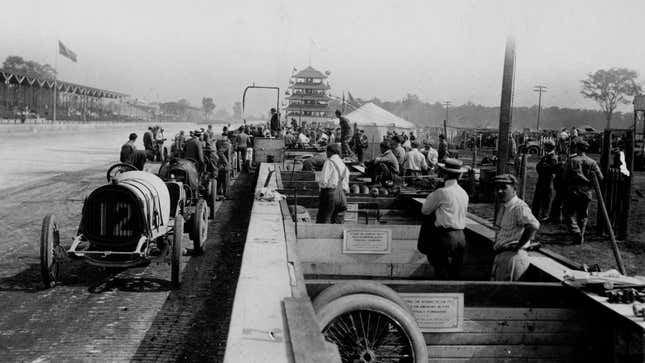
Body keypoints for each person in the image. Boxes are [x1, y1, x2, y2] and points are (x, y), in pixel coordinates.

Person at [418, 158, 469, 279]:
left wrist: (434, 191)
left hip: (444, 237)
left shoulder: (441, 192)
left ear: (445, 174)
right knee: (455, 274)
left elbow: (425, 210)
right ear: (459, 175)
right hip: (461, 237)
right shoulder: (463, 193)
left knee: (441, 271)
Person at [491, 174, 540, 281]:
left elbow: (533, 225)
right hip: (502, 256)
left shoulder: (519, 207)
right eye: (497, 188)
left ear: (514, 189)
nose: (499, 191)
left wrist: (518, 246)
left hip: (513, 257)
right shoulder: (505, 206)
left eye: (504, 187)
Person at [562, 138, 603, 244]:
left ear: (577, 148)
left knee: (568, 213)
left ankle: (576, 233)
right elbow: (600, 177)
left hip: (574, 191)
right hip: (587, 192)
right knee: (583, 215)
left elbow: (564, 176)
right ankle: (581, 235)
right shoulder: (592, 162)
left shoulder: (572, 160)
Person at [316, 143, 350, 224]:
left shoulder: (329, 162)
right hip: (342, 196)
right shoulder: (343, 164)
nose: (326, 154)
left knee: (324, 220)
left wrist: (319, 187)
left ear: (330, 152)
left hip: (330, 194)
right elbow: (345, 184)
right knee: (337, 221)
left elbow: (323, 180)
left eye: (327, 152)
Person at [531, 140, 558, 220]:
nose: (544, 147)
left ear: (550, 147)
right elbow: (539, 167)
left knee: (546, 198)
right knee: (537, 198)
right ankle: (535, 214)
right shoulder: (546, 156)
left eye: (546, 146)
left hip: (548, 180)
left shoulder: (553, 157)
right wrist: (542, 167)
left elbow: (553, 169)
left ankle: (544, 215)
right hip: (542, 179)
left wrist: (544, 167)